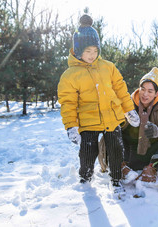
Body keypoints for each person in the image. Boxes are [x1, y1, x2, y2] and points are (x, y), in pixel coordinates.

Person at [57, 15, 140, 195]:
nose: (92, 55)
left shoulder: (108, 67)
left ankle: (116, 179)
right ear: (78, 51)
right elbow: (68, 103)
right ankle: (85, 178)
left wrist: (129, 109)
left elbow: (120, 89)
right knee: (88, 151)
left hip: (112, 116)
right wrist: (71, 125)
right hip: (88, 120)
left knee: (116, 149)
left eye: (95, 51)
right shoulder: (70, 75)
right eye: (88, 51)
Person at [121, 67, 158, 183]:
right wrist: (124, 119)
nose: (145, 94)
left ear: (156, 93)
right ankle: (120, 167)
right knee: (112, 133)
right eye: (143, 89)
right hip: (127, 153)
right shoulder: (126, 103)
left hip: (147, 154)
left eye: (150, 91)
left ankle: (151, 168)